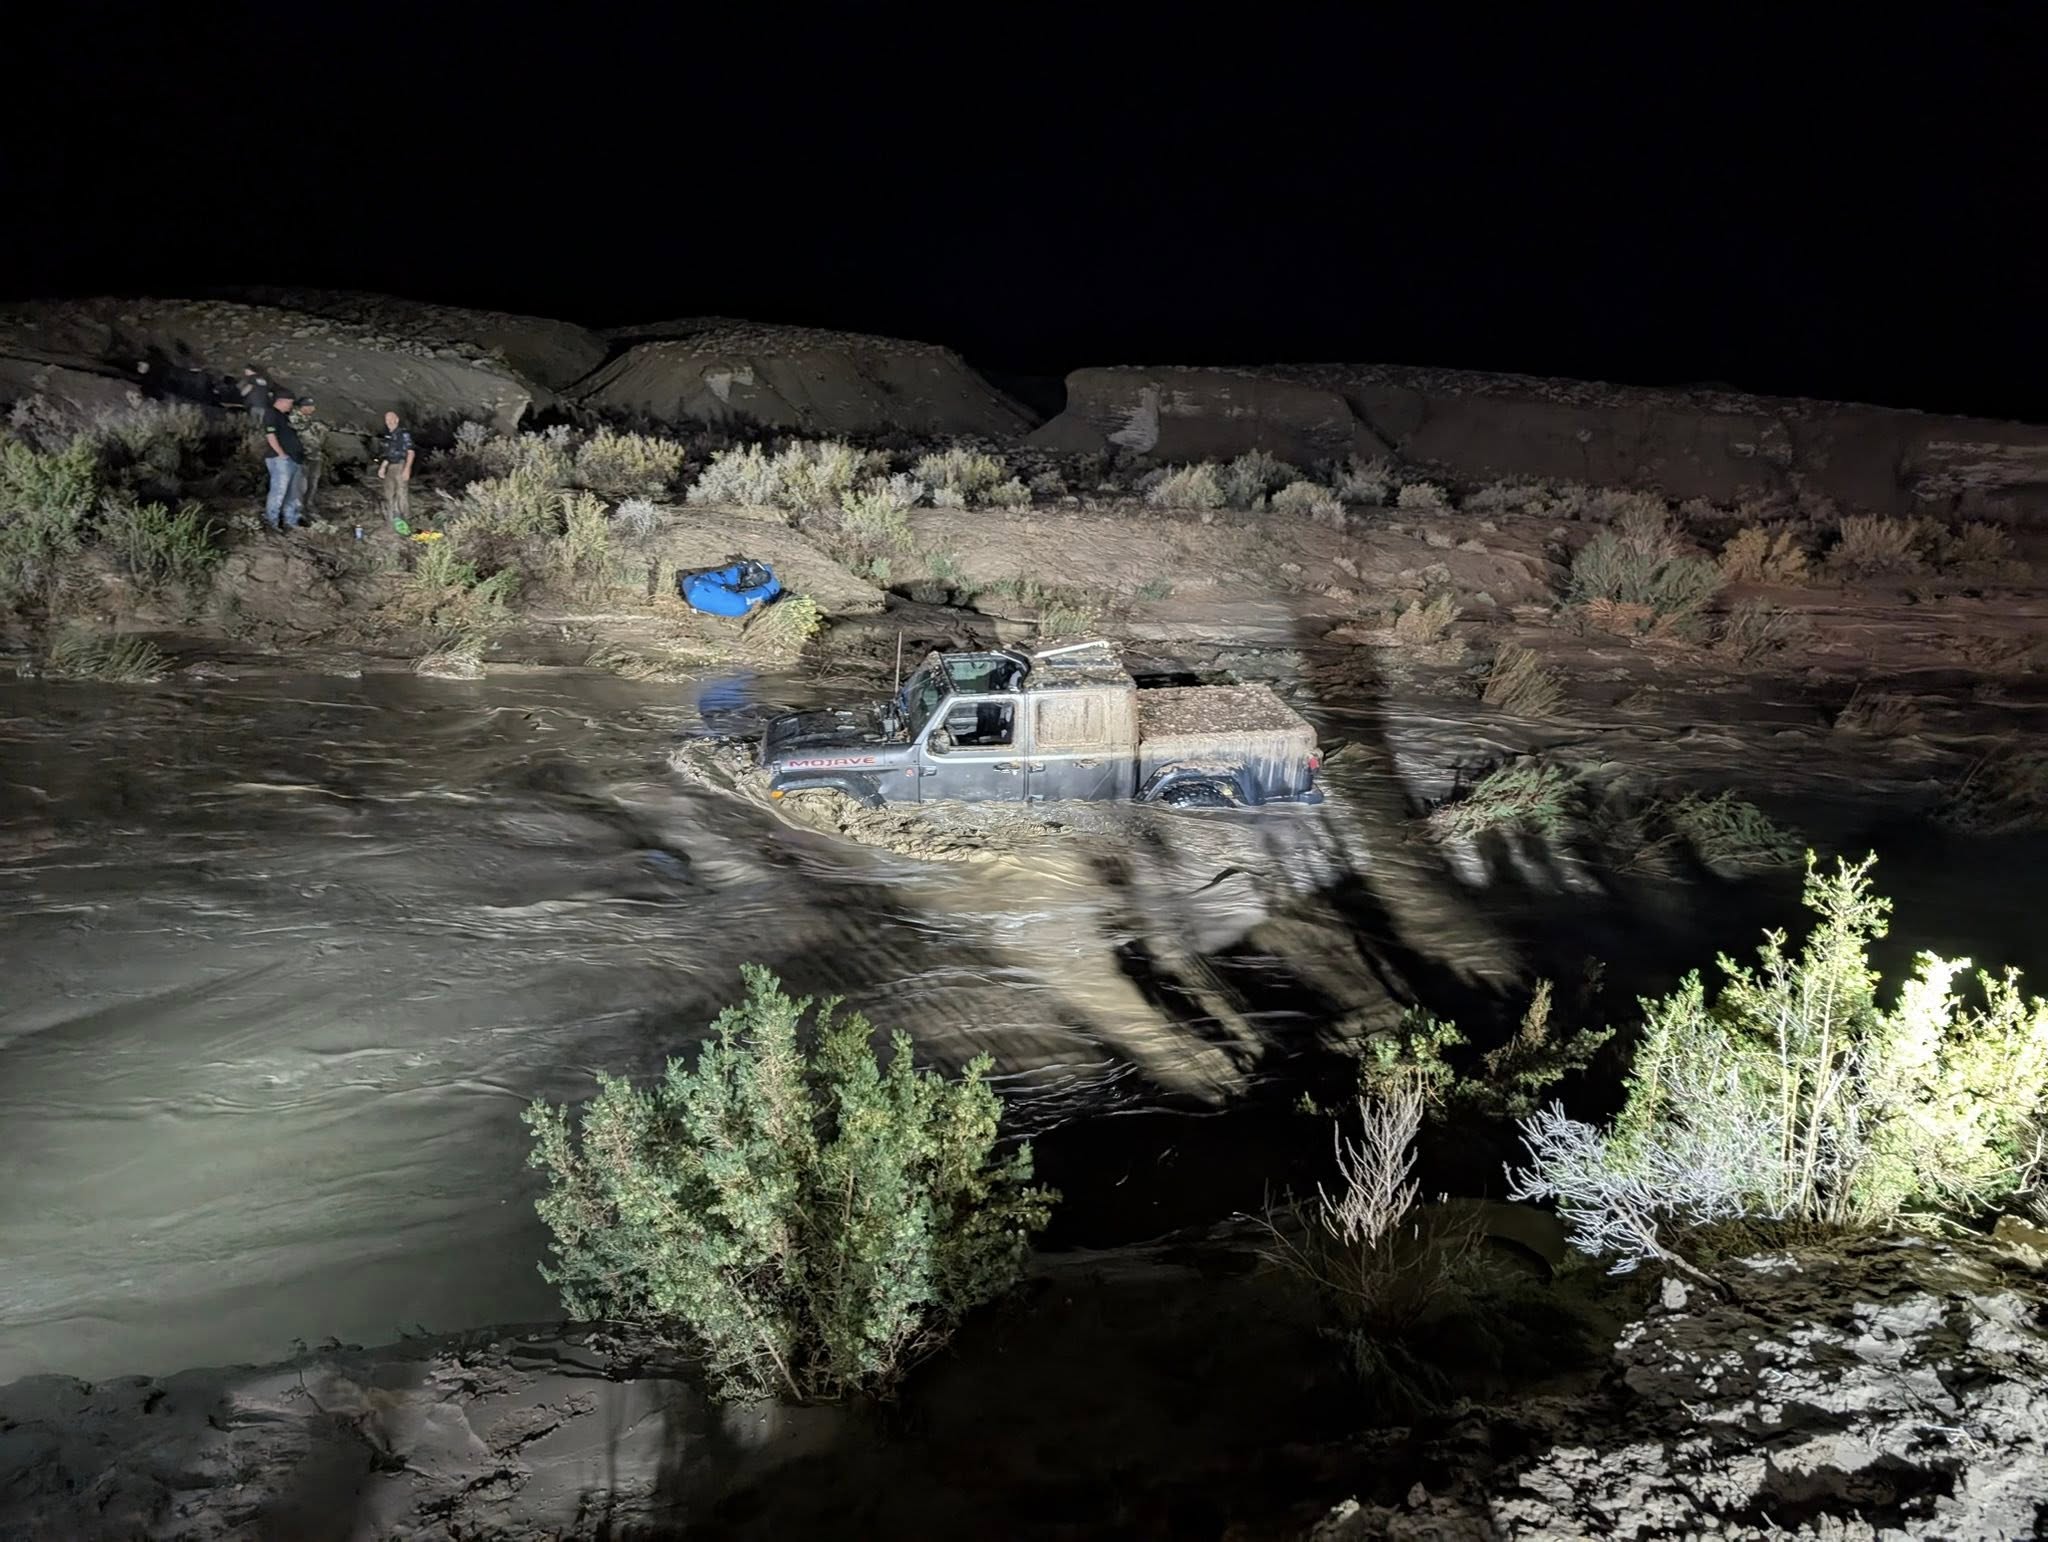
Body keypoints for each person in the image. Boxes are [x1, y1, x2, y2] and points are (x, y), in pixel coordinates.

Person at [261, 389, 308, 531]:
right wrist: (281, 454)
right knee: (279, 491)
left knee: (293, 493)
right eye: (290, 403)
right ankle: (272, 522)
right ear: (281, 401)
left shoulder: (284, 417)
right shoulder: (271, 413)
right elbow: (270, 435)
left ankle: (291, 521)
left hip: (294, 459)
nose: (290, 406)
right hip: (280, 460)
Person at [377, 409, 416, 527]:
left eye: (391, 419)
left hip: (400, 465)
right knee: (389, 493)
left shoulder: (403, 433)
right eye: (387, 419)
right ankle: (392, 520)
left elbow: (410, 452)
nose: (389, 421)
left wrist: (407, 468)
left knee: (401, 493)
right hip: (391, 467)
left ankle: (406, 521)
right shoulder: (389, 436)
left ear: (397, 420)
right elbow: (389, 455)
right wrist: (382, 467)